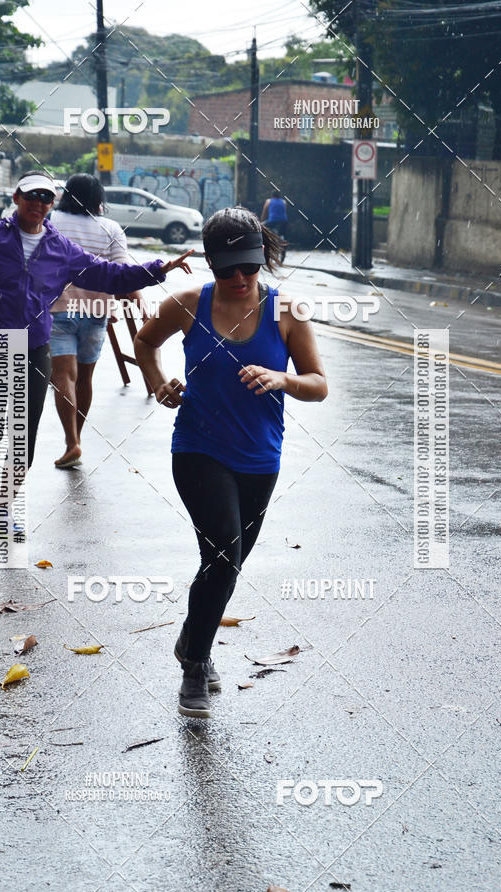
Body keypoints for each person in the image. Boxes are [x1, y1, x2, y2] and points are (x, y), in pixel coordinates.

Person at [134, 206, 328, 719]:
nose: (240, 279)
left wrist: (284, 379)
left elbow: (319, 384)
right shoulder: (185, 303)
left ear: (263, 258)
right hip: (198, 449)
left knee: (225, 564)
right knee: (223, 555)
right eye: (227, 270)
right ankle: (194, 668)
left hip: (261, 457)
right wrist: (159, 382)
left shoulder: (287, 313)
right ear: (211, 265)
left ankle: (192, 636)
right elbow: (145, 342)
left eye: (250, 267)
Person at [0, 169, 192, 528]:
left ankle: (6, 508)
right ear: (16, 197)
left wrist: (158, 268)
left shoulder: (60, 249)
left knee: (22, 435)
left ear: (53, 204)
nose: (38, 203)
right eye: (31, 196)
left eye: (45, 197)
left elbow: (109, 275)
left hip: (32, 347)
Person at [49, 173, 145, 468]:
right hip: (96, 311)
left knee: (64, 376)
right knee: (85, 379)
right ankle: (77, 435)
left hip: (58, 309)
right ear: (98, 200)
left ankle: (71, 443)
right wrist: (141, 307)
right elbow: (124, 276)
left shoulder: (51, 221)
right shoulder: (111, 228)